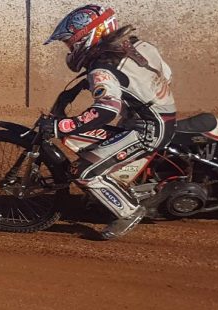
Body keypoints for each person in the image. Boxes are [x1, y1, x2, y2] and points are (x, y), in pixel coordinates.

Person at [42, 4, 176, 239]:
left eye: (71, 42)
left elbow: (105, 112)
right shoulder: (137, 45)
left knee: (83, 171)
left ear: (88, 36)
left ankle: (129, 212)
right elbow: (166, 73)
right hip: (156, 116)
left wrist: (60, 125)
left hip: (147, 130)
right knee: (93, 147)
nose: (70, 48)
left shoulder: (101, 69)